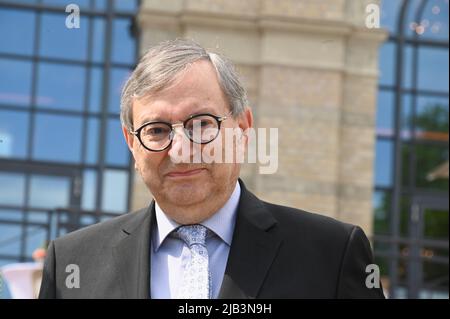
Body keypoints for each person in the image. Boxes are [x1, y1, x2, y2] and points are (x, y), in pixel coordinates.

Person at [39, 39, 385, 299]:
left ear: (244, 128)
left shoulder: (331, 254)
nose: (180, 149)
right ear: (132, 143)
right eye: (157, 130)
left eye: (201, 124)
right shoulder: (73, 264)